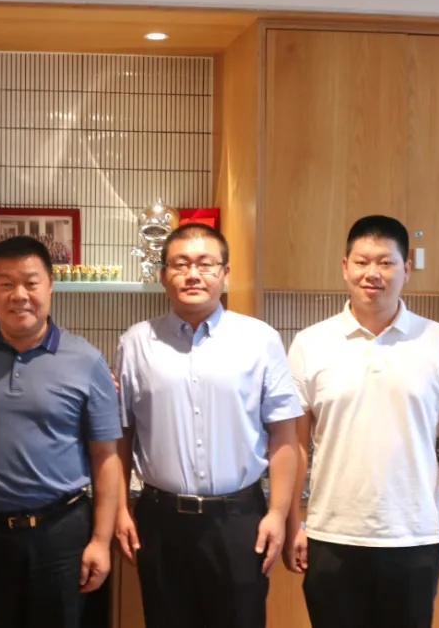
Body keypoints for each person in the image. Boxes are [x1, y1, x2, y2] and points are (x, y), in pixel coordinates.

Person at [285, 214, 439, 628]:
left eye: (386, 262)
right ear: (345, 267)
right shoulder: (309, 343)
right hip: (330, 536)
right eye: (361, 261)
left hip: (413, 537)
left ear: (406, 269)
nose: (372, 273)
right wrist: (293, 522)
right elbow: (296, 444)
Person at [0, 235, 123, 628]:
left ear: (50, 286)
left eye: (31, 283)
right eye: (6, 283)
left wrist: (101, 542)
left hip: (63, 532)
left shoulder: (86, 360)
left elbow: (106, 456)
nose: (19, 295)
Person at [113, 222, 302, 628]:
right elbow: (122, 435)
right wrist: (120, 508)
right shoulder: (135, 343)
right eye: (180, 264)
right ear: (163, 275)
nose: (193, 274)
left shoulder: (260, 340)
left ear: (225, 273)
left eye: (205, 264)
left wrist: (277, 514)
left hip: (239, 521)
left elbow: (284, 435)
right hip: (160, 520)